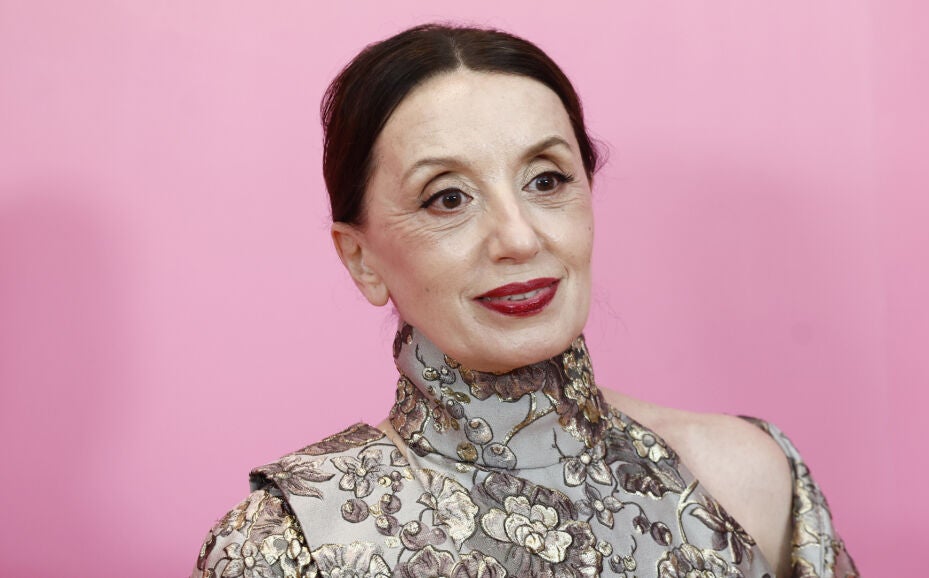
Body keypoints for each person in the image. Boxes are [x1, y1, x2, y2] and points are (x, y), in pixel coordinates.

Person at [192, 24, 858, 578]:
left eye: (546, 180)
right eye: (448, 198)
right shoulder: (289, 544)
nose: (518, 238)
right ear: (361, 259)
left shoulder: (749, 479)